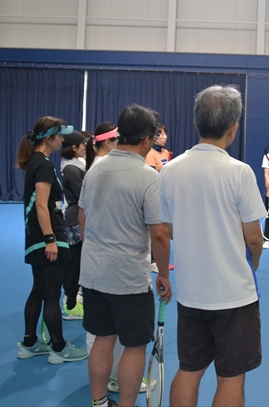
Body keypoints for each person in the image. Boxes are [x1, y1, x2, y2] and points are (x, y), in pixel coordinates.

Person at [159, 85, 266, 407]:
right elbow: (254, 238)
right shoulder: (240, 172)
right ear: (233, 128)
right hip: (234, 295)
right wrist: (251, 263)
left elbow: (168, 229)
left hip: (191, 293)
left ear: (196, 123)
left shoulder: (169, 170)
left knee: (189, 369)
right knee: (231, 376)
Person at [79, 105, 172, 407]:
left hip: (93, 274)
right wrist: (163, 274)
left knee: (103, 339)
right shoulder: (148, 177)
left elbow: (82, 217)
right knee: (134, 346)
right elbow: (159, 233)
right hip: (128, 279)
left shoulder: (95, 168)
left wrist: (97, 250)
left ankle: (99, 403)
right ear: (147, 140)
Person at [15, 116, 88, 364]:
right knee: (51, 294)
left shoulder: (37, 162)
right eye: (60, 136)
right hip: (47, 237)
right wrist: (50, 240)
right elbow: (42, 206)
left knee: (38, 290)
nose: (62, 141)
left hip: (37, 237)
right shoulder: (43, 165)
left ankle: (29, 343)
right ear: (49, 139)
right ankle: (58, 347)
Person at [60, 130, 91, 320]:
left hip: (78, 217)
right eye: (83, 144)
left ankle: (73, 299)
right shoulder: (71, 169)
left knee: (79, 262)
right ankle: (70, 304)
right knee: (76, 263)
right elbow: (83, 197)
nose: (85, 147)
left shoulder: (75, 165)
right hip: (75, 220)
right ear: (74, 147)